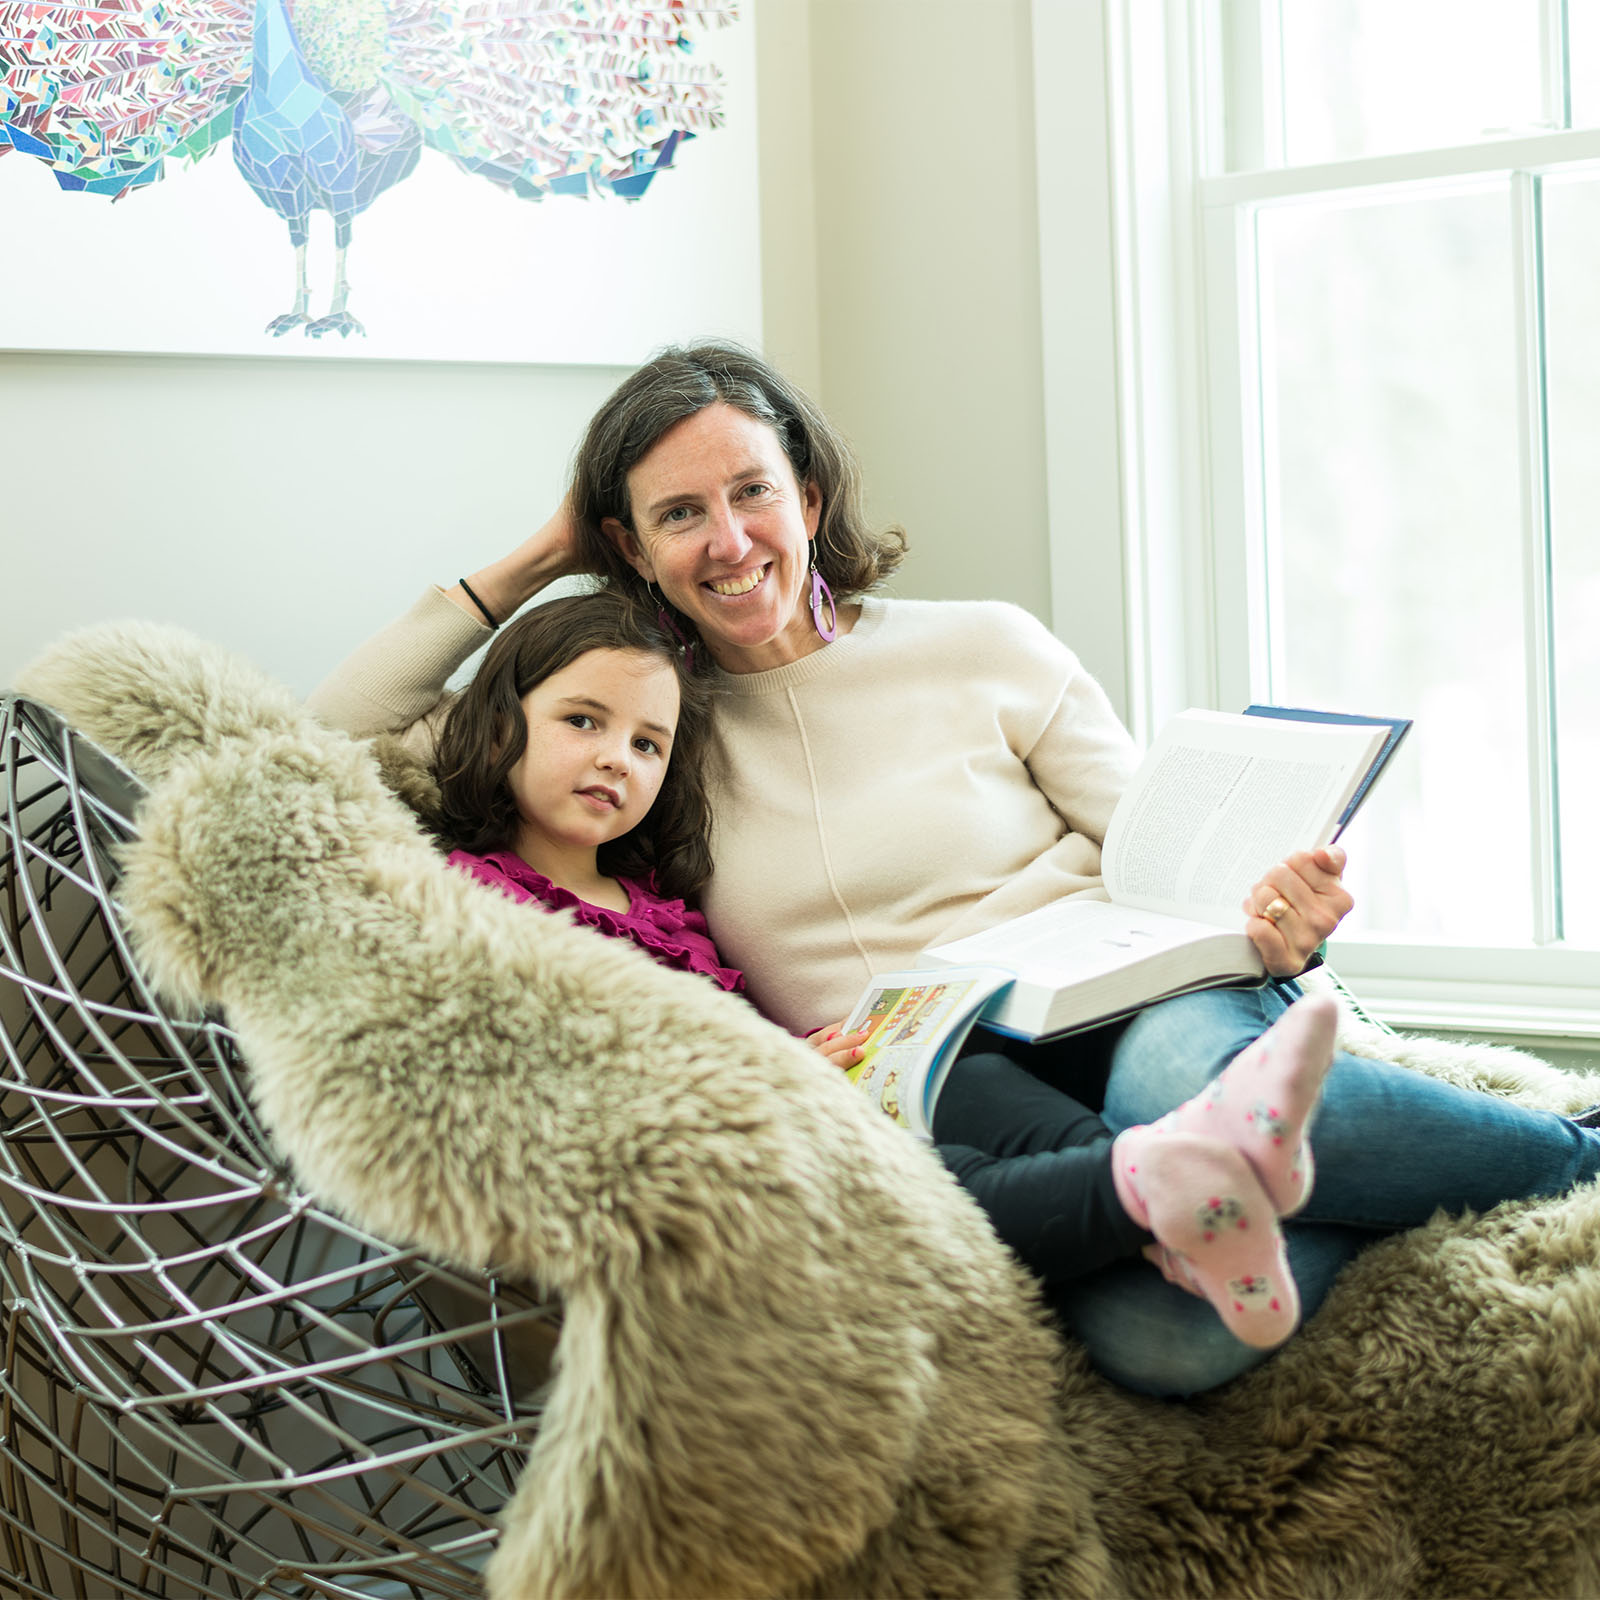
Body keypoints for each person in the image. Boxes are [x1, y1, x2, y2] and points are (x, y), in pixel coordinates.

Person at [309, 341, 1600, 1396]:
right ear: (629, 546)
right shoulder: (639, 722)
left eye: (753, 492)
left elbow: (1172, 862)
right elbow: (334, 735)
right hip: (937, 1087)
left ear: (809, 498)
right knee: (1169, 1342)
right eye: (678, 514)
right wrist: (542, 555)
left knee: (1178, 1075)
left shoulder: (986, 646)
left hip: (1135, 1001)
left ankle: (1563, 1158)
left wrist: (1280, 925)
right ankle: (1273, 1185)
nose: (730, 539)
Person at [411, 582, 1341, 1349]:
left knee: (969, 1098)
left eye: (648, 744)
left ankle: (1183, 1200)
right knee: (940, 1179)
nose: (616, 758)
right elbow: (565, 1072)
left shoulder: (655, 893)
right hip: (708, 1163)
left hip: (814, 1088)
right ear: (500, 726)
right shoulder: (474, 901)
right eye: (582, 721)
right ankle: (1151, 1184)